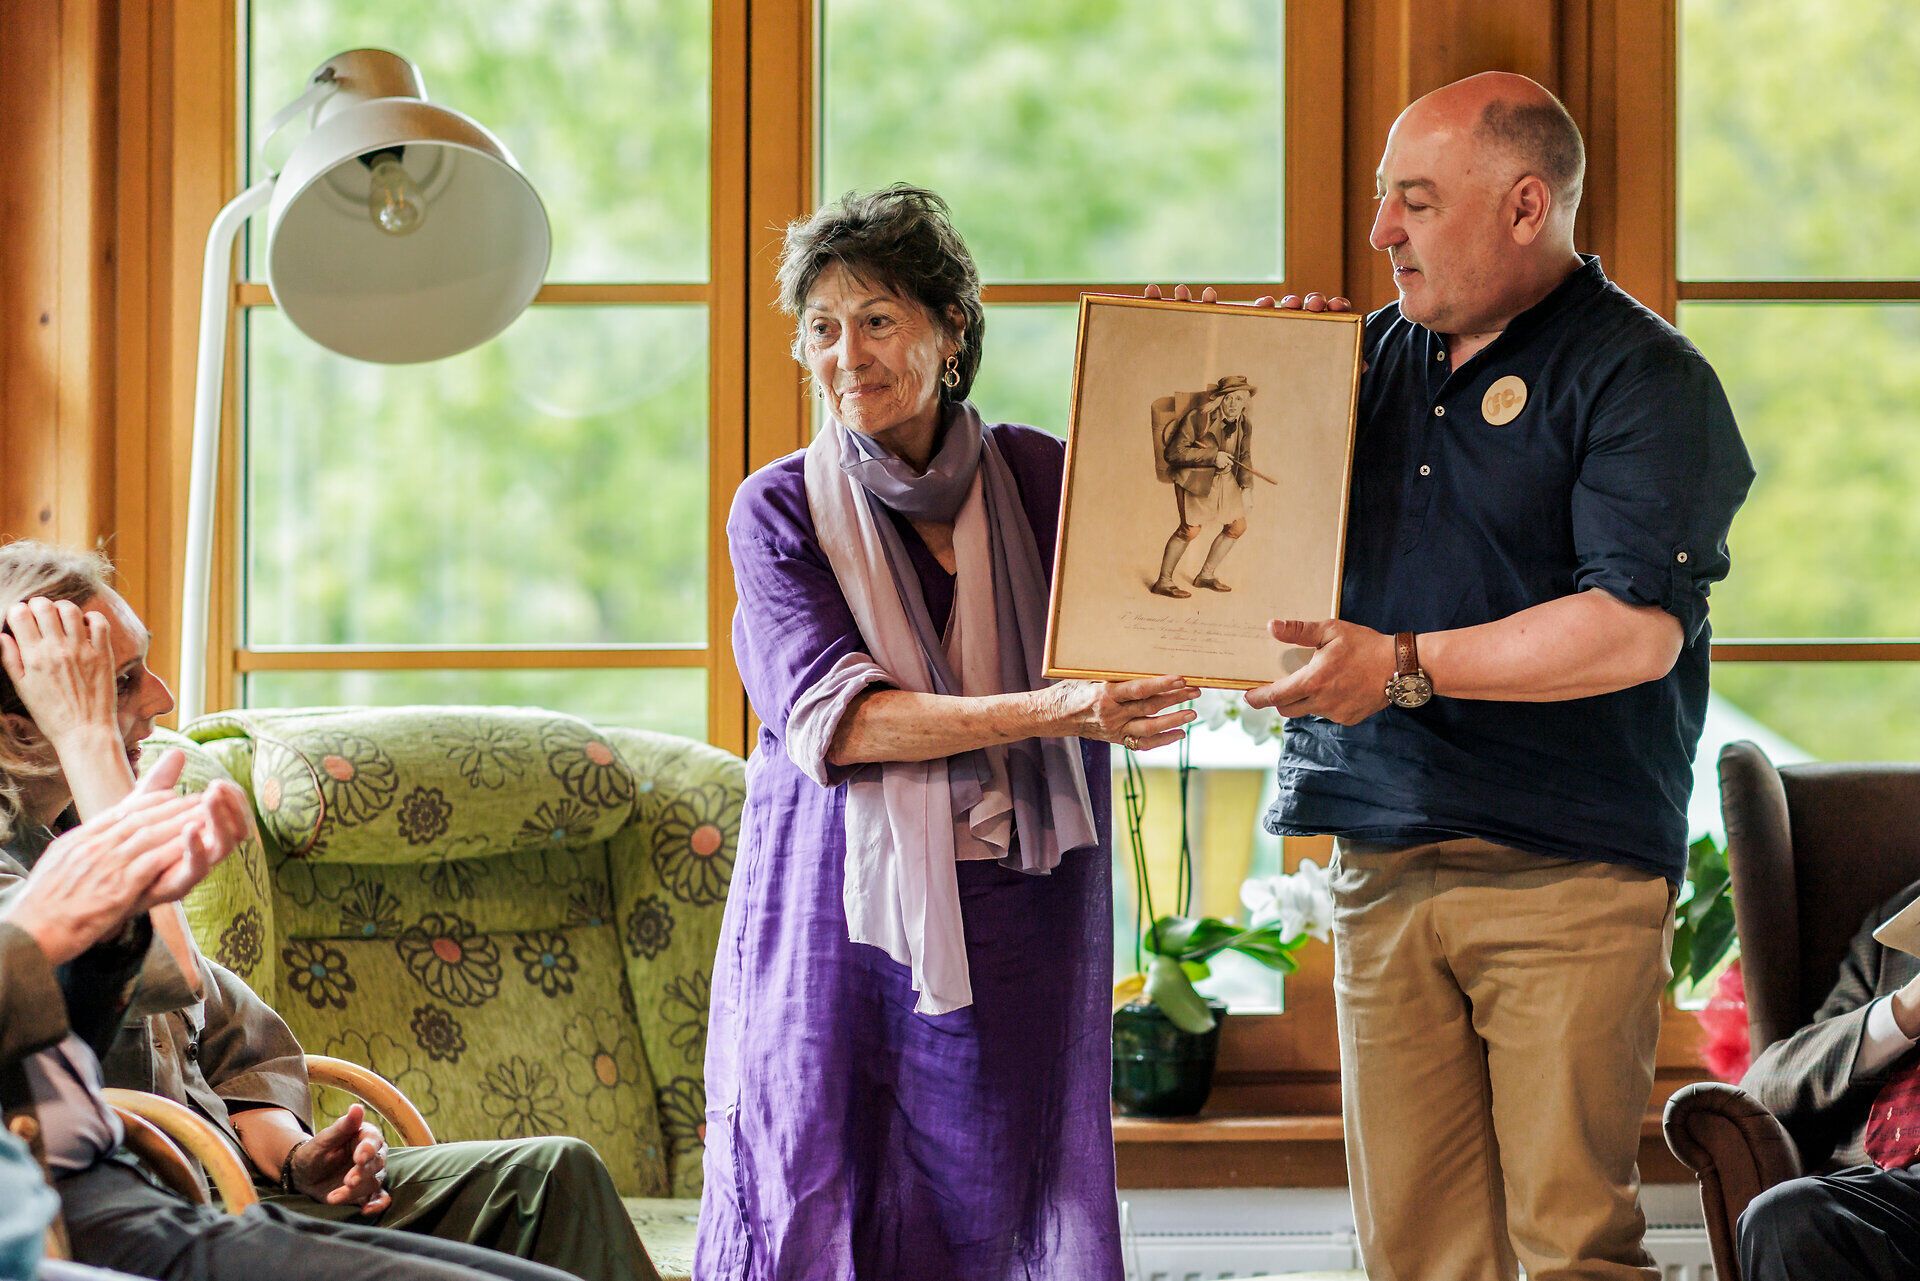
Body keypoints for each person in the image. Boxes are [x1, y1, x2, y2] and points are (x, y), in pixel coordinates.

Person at [1158, 72, 1752, 1281]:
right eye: (1385, 199)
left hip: (1567, 871)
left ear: (1526, 206)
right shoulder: (1364, 361)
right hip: (1378, 858)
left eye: (1416, 202)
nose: (1383, 230)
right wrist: (1238, 368)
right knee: (1419, 1257)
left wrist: (1403, 668)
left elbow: (1633, 632)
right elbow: (1240, 562)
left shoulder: (1647, 378)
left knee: (1573, 1248)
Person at [698, 184, 1197, 1281]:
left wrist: (1194, 358)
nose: (847, 355)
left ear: (950, 329)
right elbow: (848, 724)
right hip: (834, 912)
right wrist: (1063, 709)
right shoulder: (776, 510)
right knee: (817, 1189)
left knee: (989, 1204)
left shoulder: (1042, 475)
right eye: (822, 329)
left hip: (1019, 910)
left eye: (878, 319)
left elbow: (1189, 559)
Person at [0, 541, 645, 1281]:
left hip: (244, 1178)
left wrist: (296, 1154)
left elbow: (231, 1038)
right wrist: (88, 742)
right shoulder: (38, 870)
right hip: (170, 1188)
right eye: (117, 681)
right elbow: (169, 970)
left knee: (550, 1172)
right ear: (24, 724)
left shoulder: (70, 837)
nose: (162, 696)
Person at [1737, 879, 1920, 1279]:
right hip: (1897, 1199)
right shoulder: (1895, 928)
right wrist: (1902, 1012)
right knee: (1784, 1217)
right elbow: (1761, 1090)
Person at [1152, 374, 1257, 597]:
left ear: (1245, 403)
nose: (1233, 404)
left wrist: (1247, 489)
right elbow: (1173, 453)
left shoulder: (1244, 424)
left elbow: (1245, 456)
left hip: (1223, 478)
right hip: (1194, 477)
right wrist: (1212, 457)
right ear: (1219, 399)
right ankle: (1163, 582)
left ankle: (1205, 576)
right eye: (1228, 398)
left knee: (1237, 527)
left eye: (1238, 399)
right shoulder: (1198, 417)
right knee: (1189, 530)